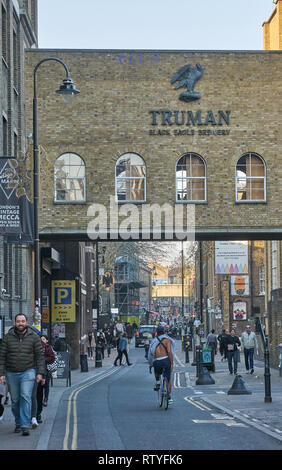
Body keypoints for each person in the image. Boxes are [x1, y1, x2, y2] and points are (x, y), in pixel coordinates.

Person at [0, 314, 45, 436]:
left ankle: (25, 425)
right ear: (15, 323)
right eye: (18, 321)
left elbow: (40, 356)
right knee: (15, 400)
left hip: (28, 371)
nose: (21, 323)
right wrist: (1, 373)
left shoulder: (34, 337)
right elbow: (2, 356)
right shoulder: (7, 337)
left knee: (25, 396)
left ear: (26, 322)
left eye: (23, 321)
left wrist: (40, 372)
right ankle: (18, 423)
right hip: (11, 372)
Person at [148, 325, 175, 404]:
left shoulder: (153, 341)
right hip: (166, 360)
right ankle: (169, 397)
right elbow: (170, 352)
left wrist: (151, 364)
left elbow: (150, 355)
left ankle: (157, 382)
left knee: (156, 372)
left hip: (157, 361)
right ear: (164, 331)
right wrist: (172, 363)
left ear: (156, 333)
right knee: (168, 379)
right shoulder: (167, 340)